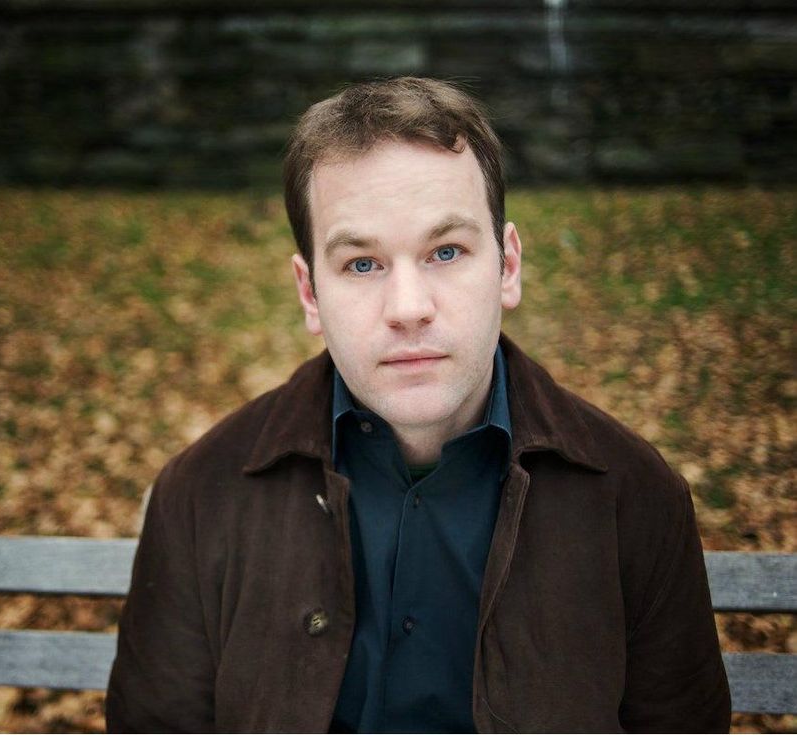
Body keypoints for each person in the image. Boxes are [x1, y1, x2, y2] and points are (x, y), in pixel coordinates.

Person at [106, 77, 730, 733]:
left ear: (508, 266)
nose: (408, 308)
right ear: (310, 293)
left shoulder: (634, 495)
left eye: (446, 251)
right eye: (362, 264)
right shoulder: (201, 494)